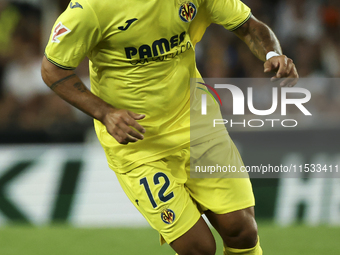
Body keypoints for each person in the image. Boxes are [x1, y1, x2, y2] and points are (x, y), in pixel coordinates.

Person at [41, 0, 298, 254]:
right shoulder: (92, 8)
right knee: (198, 248)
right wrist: (105, 113)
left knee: (242, 230)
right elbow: (52, 69)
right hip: (139, 144)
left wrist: (273, 53)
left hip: (199, 126)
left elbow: (249, 25)